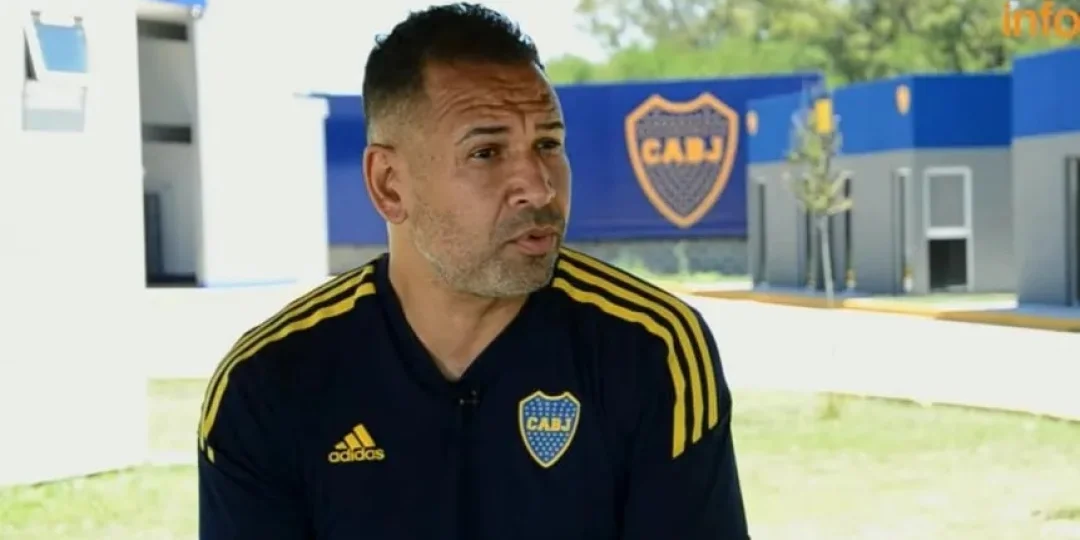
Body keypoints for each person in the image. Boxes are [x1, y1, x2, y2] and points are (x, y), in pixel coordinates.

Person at [196, 3, 749, 539]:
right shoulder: (268, 385)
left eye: (548, 144)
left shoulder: (651, 349)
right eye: (486, 152)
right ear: (389, 184)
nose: (539, 187)